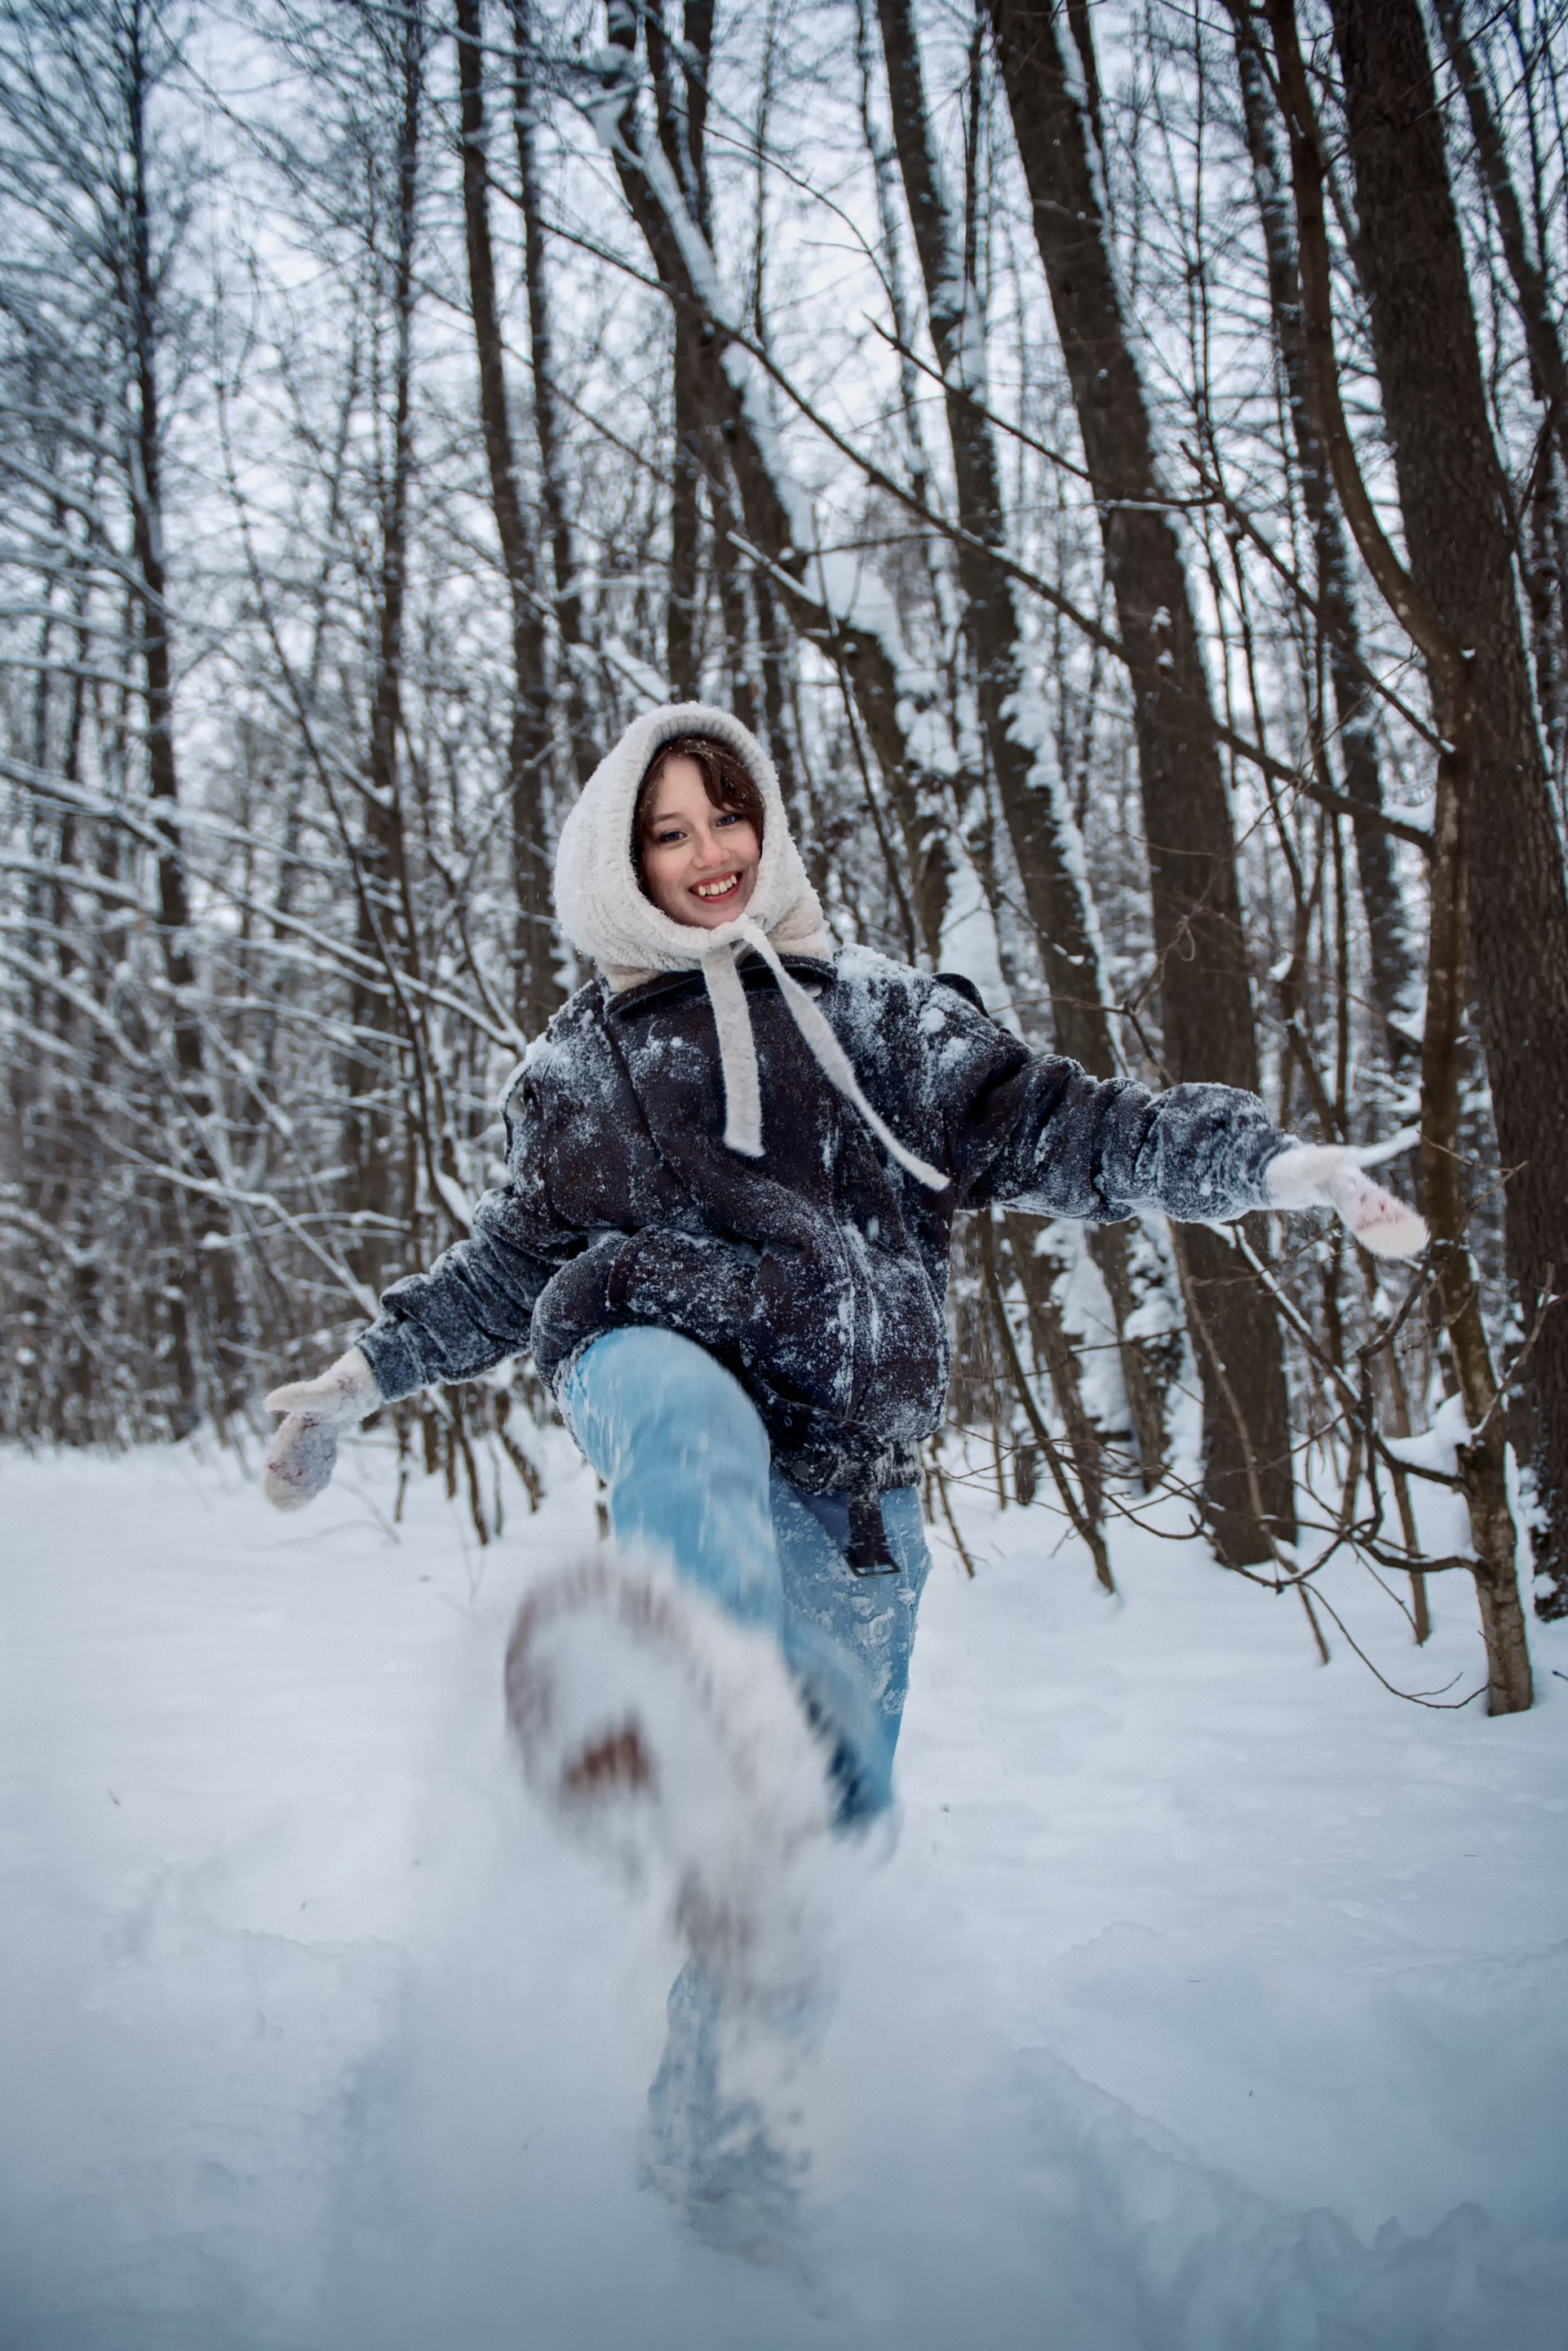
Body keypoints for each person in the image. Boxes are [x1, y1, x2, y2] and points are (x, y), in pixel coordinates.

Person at [264, 702, 1424, 1964]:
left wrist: (1263, 1163)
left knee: (807, 1867)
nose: (712, 851)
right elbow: (508, 1266)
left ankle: (732, 2129)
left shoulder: (881, 1017)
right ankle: (688, 1690)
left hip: (853, 1488)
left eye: (728, 814)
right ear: (621, 862)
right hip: (648, 1364)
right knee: (688, 1409)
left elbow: (1067, 1125)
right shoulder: (585, 1066)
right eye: (669, 832)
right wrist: (359, 1375)